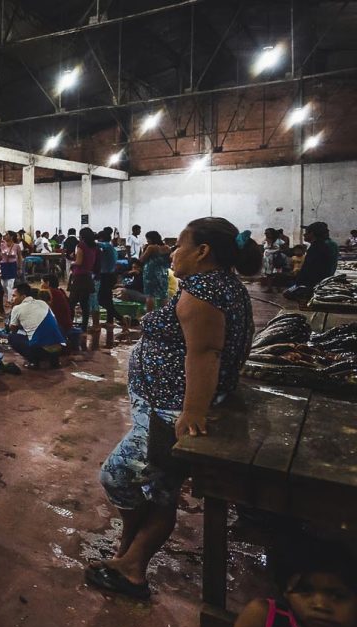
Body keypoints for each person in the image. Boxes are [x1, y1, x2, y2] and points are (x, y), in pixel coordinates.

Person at [88, 217, 261, 601]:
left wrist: (193, 411)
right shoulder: (217, 285)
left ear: (203, 252)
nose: (173, 252)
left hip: (169, 412)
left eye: (180, 245)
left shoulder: (205, 292)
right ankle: (131, 560)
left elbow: (205, 353)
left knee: (116, 477)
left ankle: (132, 551)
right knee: (160, 490)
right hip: (163, 405)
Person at [202, 535, 357, 627]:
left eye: (337, 596)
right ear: (285, 591)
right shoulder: (265, 618)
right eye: (304, 590)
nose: (320, 605)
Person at [6, 283, 65, 369]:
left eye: (14, 296)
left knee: (12, 337)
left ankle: (34, 362)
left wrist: (13, 309)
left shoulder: (17, 308)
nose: (12, 299)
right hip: (59, 349)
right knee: (57, 328)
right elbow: (54, 321)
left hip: (41, 351)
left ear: (23, 297)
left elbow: (12, 329)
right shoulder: (42, 303)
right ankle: (54, 360)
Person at [68, 227, 99, 333]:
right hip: (88, 276)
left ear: (82, 236)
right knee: (84, 304)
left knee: (71, 302)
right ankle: (84, 327)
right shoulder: (94, 247)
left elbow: (79, 262)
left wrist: (72, 262)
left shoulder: (81, 245)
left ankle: (69, 324)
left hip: (79, 276)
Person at [296, 222, 338, 288]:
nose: (304, 235)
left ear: (312, 233)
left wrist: (299, 282)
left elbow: (310, 268)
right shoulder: (323, 244)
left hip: (315, 283)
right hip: (321, 281)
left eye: (306, 232)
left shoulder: (318, 246)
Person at [140, 231, 172, 312]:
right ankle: (165, 314)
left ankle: (149, 315)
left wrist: (144, 249)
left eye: (148, 239)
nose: (147, 241)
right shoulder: (167, 248)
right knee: (164, 295)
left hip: (151, 273)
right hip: (163, 273)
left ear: (151, 239)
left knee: (150, 296)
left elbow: (142, 259)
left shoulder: (151, 247)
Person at [96, 228, 119, 330]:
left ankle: (119, 317)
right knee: (108, 299)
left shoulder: (107, 246)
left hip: (106, 276)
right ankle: (110, 320)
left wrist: (91, 239)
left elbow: (98, 245)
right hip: (110, 275)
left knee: (101, 299)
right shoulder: (111, 247)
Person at [0, 231, 22, 303]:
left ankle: (9, 300)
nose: (5, 236)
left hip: (12, 265)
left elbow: (20, 257)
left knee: (10, 284)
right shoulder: (1, 245)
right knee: (3, 284)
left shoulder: (16, 246)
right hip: (3, 265)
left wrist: (19, 268)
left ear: (11, 237)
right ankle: (8, 295)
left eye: (7, 235)